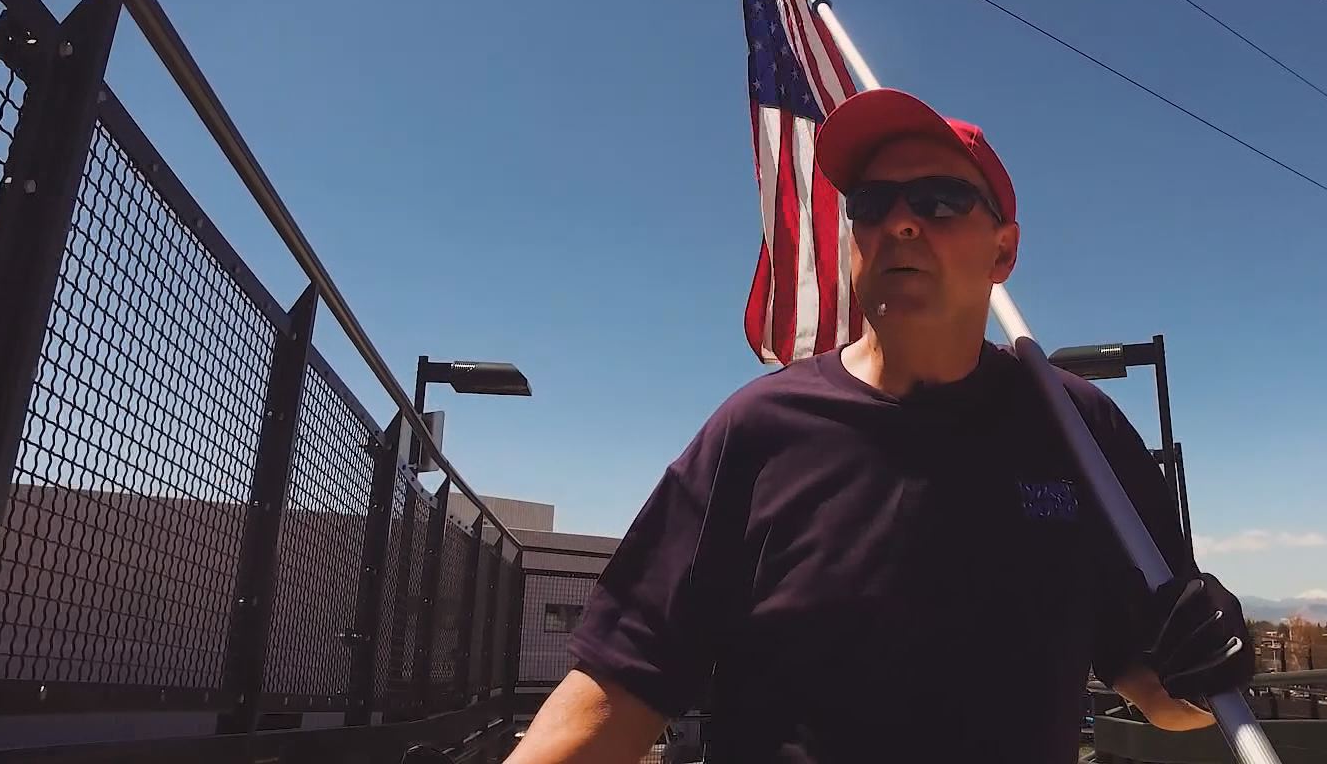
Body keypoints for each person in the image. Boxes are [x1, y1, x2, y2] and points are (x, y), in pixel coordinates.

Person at [509, 89, 1253, 763]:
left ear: (1003, 251)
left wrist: (1207, 657)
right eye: (870, 203)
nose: (900, 220)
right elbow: (620, 687)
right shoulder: (758, 431)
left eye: (940, 200)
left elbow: (1166, 693)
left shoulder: (1078, 430)